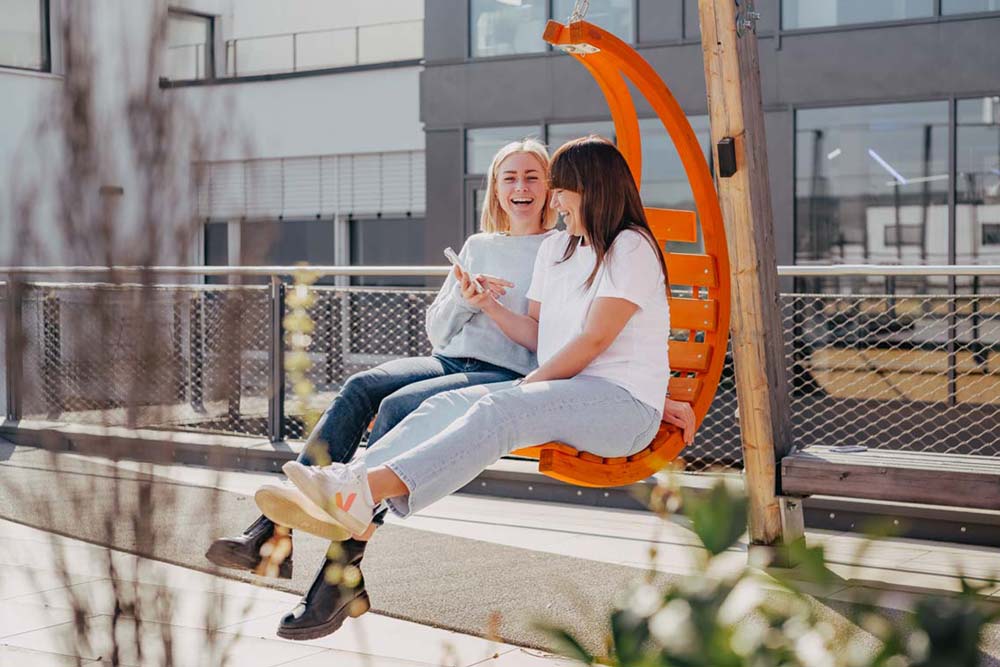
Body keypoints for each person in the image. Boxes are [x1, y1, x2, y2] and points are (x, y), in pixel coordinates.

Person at [255, 136, 698, 638]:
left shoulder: (629, 247)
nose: (553, 203)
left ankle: (362, 490)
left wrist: (525, 387)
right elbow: (538, 335)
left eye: (560, 191)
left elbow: (596, 339)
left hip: (621, 408)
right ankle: (347, 481)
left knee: (500, 409)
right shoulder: (558, 248)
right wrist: (486, 305)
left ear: (591, 189)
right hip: (568, 393)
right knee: (445, 403)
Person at [205, 138, 557, 639]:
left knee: (398, 406)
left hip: (505, 373)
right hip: (450, 359)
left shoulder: (560, 251)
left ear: (548, 189)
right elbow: (439, 332)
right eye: (510, 177)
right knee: (361, 385)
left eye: (531, 177)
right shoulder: (479, 245)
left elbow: (548, 341)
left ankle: (336, 577)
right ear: (495, 189)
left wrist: (497, 309)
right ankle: (272, 531)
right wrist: (465, 298)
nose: (520, 187)